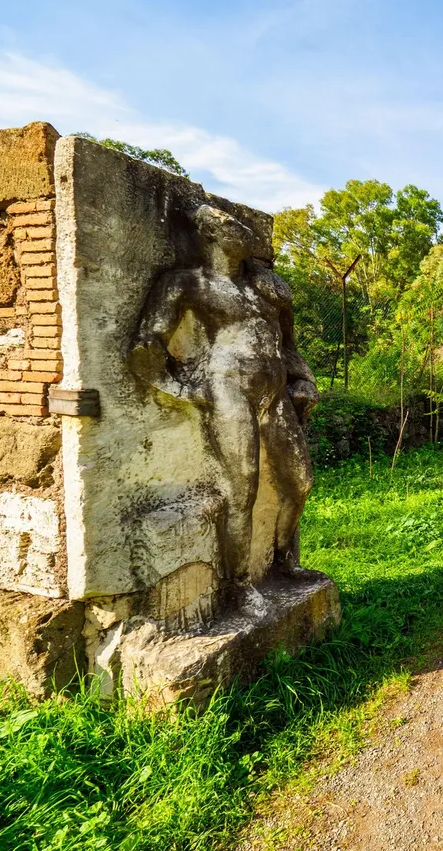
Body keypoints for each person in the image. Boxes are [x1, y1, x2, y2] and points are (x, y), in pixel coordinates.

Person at [129, 204, 318, 596]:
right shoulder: (188, 284)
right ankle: (241, 585)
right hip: (228, 387)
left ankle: (283, 562)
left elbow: (289, 346)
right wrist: (182, 388)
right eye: (232, 227)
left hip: (274, 390)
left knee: (300, 482)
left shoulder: (266, 288)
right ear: (210, 235)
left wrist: (304, 381)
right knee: (242, 490)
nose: (244, 233)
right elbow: (147, 344)